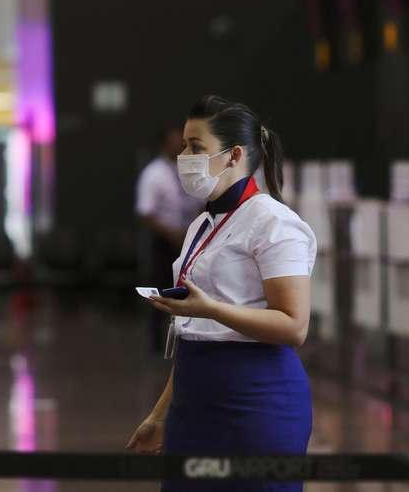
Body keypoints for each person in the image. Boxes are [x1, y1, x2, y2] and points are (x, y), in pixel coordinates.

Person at [126, 95, 316, 492]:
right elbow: (194, 332)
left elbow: (294, 325)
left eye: (197, 147)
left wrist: (212, 309)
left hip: (255, 398)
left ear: (234, 156)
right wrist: (161, 413)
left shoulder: (274, 223)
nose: (184, 156)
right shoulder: (203, 223)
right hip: (194, 398)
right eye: (183, 146)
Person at [136, 127, 203, 352]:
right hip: (165, 240)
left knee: (191, 290)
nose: (181, 147)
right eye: (177, 142)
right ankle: (157, 346)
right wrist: (172, 234)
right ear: (164, 144)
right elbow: (145, 212)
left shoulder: (190, 170)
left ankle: (188, 340)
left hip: (191, 239)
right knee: (161, 291)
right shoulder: (153, 173)